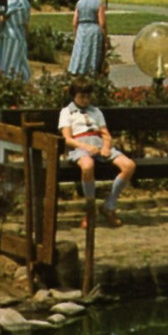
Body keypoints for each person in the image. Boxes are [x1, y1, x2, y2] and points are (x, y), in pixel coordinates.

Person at [58, 78, 135, 227]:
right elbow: (67, 139)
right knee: (87, 165)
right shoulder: (67, 112)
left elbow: (105, 133)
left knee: (129, 165)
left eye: (88, 96)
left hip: (98, 144)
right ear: (74, 96)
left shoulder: (96, 111)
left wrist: (106, 146)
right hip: (80, 146)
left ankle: (109, 205)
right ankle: (90, 209)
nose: (86, 100)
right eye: (82, 96)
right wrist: (85, 147)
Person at [66, 0, 107, 76]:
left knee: (80, 50)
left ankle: (78, 71)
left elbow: (74, 21)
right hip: (93, 28)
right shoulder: (98, 3)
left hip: (81, 28)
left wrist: (76, 33)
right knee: (93, 52)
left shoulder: (79, 2)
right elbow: (102, 23)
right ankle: (92, 71)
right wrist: (105, 38)